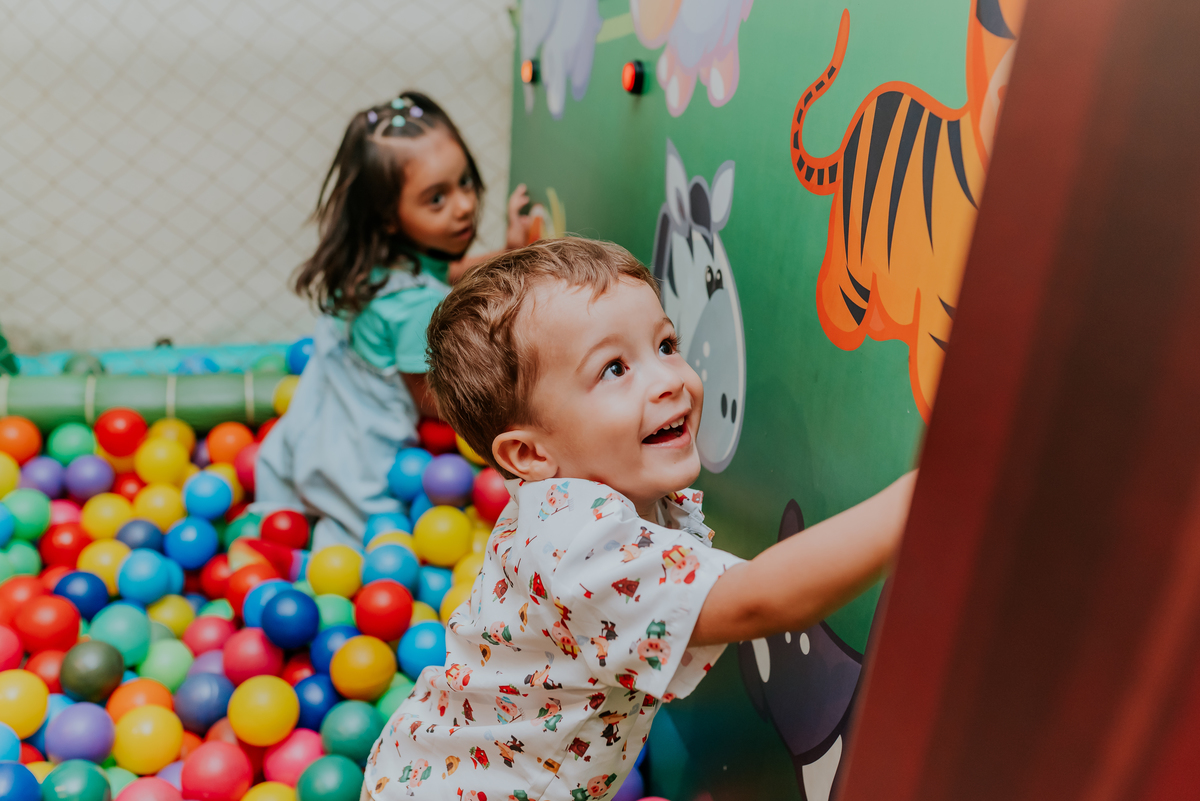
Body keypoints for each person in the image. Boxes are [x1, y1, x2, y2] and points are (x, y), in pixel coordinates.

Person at [362, 237, 917, 800]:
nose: (670, 378)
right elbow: (757, 599)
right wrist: (920, 497)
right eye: (614, 369)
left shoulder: (606, 501)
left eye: (667, 344)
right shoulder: (579, 545)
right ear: (530, 456)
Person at [255, 91, 533, 548]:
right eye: (437, 198)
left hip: (311, 421)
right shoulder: (416, 310)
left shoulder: (380, 258)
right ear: (388, 217)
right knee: (369, 541)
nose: (463, 205)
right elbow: (433, 398)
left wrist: (508, 254)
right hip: (356, 451)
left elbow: (449, 272)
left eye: (464, 183)